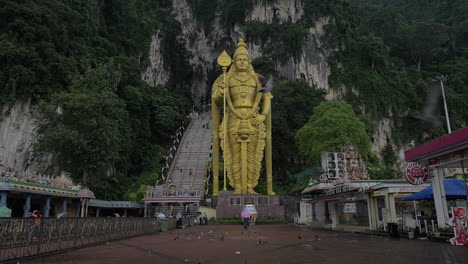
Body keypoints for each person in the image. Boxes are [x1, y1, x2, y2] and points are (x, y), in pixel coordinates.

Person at [212, 39, 272, 194]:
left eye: (245, 59)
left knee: (253, 154)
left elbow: (267, 97)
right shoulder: (228, 78)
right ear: (234, 61)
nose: (242, 62)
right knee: (234, 153)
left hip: (253, 117)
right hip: (233, 116)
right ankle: (237, 186)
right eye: (239, 59)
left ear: (249, 61)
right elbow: (216, 99)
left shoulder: (258, 79)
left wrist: (263, 115)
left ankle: (250, 186)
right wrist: (222, 91)